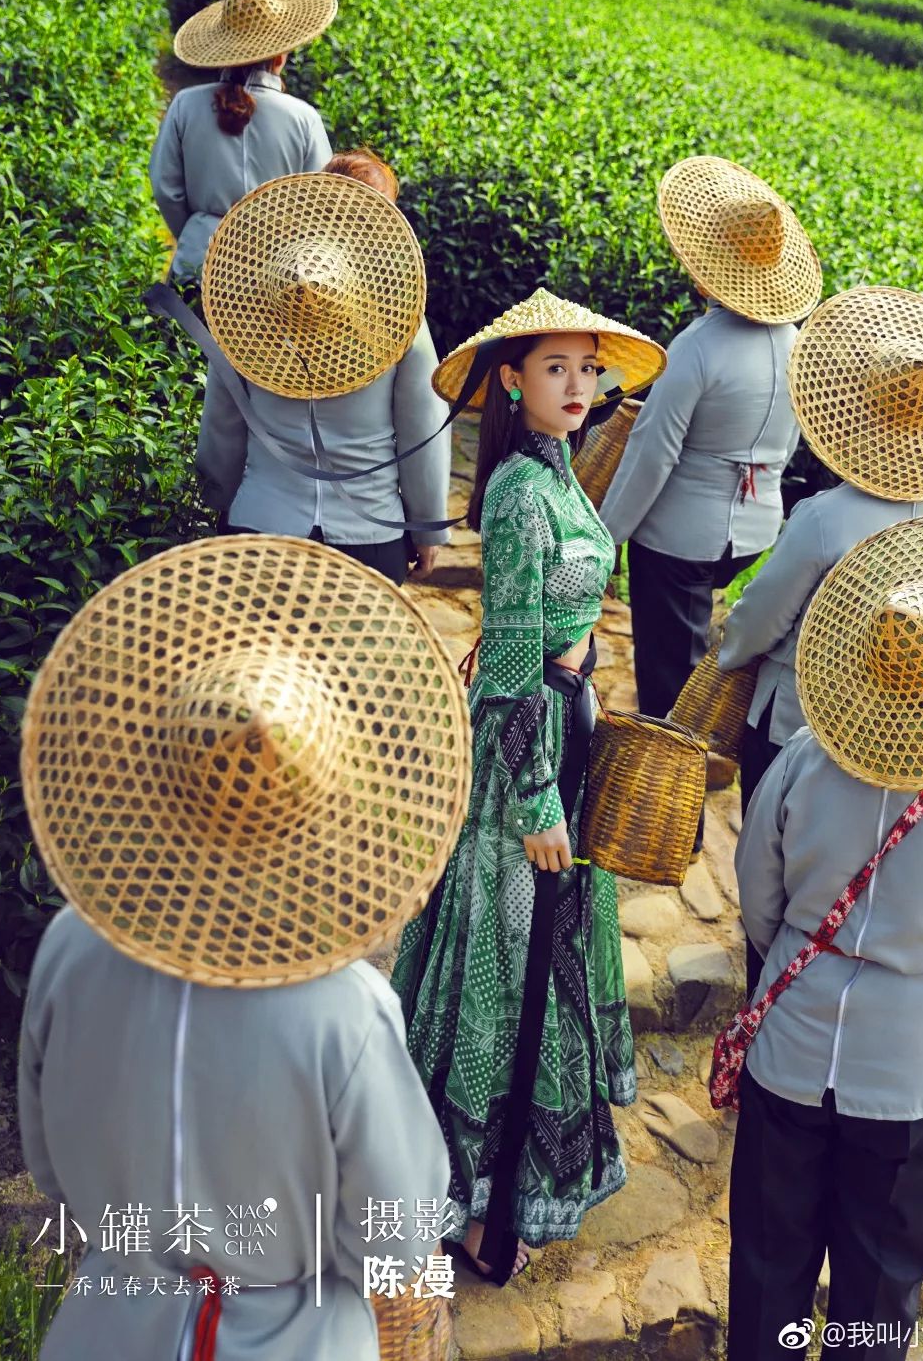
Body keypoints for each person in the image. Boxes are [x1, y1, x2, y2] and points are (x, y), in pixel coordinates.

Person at [17, 534, 470, 1361]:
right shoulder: (346, 1015)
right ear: (331, 798)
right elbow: (398, 1238)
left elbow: (49, 1168)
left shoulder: (69, 950)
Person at [391, 289, 667, 1284]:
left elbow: (557, 622)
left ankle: (490, 1195)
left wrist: (584, 672)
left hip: (561, 725)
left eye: (588, 368)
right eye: (557, 367)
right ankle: (467, 1201)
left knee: (534, 960)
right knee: (503, 964)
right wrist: (539, 800)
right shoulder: (515, 491)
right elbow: (508, 662)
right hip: (525, 755)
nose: (579, 384)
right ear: (511, 380)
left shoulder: (558, 471)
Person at [727, 513, 923, 1361]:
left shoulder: (804, 759)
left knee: (767, 1270)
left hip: (792, 1046)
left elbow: (757, 892)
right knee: (878, 1296)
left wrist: (795, 954)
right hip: (912, 1075)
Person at [718, 285, 923, 992]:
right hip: (903, 732)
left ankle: (766, 999)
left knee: (776, 862)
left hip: (799, 725)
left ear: (855, 414)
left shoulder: (825, 517)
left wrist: (728, 654)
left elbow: (763, 617)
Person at [599, 156, 822, 730]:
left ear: (708, 272)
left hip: (678, 541)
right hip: (755, 530)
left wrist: (605, 537)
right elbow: (789, 441)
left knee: (668, 695)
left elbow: (653, 453)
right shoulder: (796, 343)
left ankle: (669, 775)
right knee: (692, 655)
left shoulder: (699, 346)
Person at [193, 167, 451, 585]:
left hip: (260, 526)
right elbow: (422, 435)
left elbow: (221, 429)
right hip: (370, 536)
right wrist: (427, 528)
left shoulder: (242, 314)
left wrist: (215, 502)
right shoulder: (399, 321)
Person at [149, 0, 336, 288]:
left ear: (222, 52)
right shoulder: (303, 118)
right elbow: (321, 204)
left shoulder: (185, 105)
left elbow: (165, 186)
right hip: (275, 276)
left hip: (199, 263)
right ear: (280, 56)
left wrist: (197, 230)